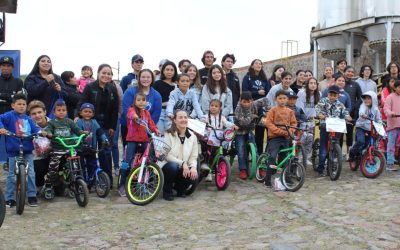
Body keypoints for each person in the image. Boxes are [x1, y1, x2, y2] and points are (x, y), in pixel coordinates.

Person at [76, 64, 119, 188]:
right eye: (104, 73)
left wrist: (113, 127)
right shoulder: (90, 87)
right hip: (91, 123)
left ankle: (107, 180)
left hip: (106, 124)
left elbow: (115, 109)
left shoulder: (112, 88)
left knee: (105, 151)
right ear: (98, 73)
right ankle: (89, 179)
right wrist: (77, 116)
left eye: (109, 73)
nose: (106, 75)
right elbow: (82, 102)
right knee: (88, 150)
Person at [0, 93, 41, 207]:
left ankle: (32, 196)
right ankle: (10, 198)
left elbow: (35, 128)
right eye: (19, 104)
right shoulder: (9, 116)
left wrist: (40, 132)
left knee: (31, 173)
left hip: (27, 150)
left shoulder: (28, 119)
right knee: (12, 174)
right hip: (13, 150)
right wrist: (2, 128)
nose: (22, 106)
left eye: (24, 104)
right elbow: (0, 119)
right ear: (13, 105)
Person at [118, 92, 160, 197]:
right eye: (139, 100)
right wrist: (136, 117)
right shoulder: (131, 110)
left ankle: (143, 185)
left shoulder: (147, 113)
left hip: (145, 140)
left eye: (143, 100)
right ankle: (122, 184)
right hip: (132, 140)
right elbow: (131, 115)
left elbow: (151, 124)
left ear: (146, 102)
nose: (141, 102)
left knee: (146, 162)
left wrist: (156, 130)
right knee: (127, 162)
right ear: (135, 101)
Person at [44, 100, 87, 198]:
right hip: (57, 149)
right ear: (54, 112)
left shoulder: (69, 121)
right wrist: (48, 134)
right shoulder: (52, 123)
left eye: (63, 110)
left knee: (75, 167)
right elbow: (48, 130)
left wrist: (82, 133)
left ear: (66, 112)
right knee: (53, 168)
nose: (61, 112)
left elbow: (76, 129)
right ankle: (49, 186)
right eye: (58, 110)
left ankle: (74, 186)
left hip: (69, 148)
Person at [160, 110, 198, 201]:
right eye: (180, 117)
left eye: (185, 117)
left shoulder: (192, 136)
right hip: (168, 166)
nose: (183, 119)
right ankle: (167, 191)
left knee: (194, 174)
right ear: (175, 120)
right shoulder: (168, 134)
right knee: (173, 167)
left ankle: (180, 189)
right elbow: (166, 155)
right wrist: (183, 163)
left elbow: (193, 156)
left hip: (182, 168)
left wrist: (193, 167)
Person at [315, 85, 351, 177]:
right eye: (331, 94)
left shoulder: (340, 104)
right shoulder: (323, 101)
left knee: (335, 146)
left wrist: (348, 117)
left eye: (335, 95)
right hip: (325, 125)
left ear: (338, 96)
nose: (332, 96)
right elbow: (317, 108)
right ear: (328, 94)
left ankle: (332, 166)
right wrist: (320, 115)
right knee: (323, 147)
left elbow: (345, 112)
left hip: (336, 127)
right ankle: (321, 168)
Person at [264, 90, 297, 187]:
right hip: (275, 137)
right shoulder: (272, 110)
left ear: (287, 99)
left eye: (284, 98)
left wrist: (290, 131)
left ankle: (286, 178)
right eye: (280, 98)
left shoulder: (290, 111)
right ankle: (267, 179)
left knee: (285, 158)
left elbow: (294, 123)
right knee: (272, 156)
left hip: (286, 137)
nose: (282, 100)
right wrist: (280, 131)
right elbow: (268, 123)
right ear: (275, 99)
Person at [121, 69, 162, 147]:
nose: (145, 79)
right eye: (143, 77)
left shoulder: (156, 95)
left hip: (146, 130)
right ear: (139, 78)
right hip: (129, 128)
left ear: (152, 79)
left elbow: (155, 116)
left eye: (148, 77)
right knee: (129, 154)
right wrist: (134, 125)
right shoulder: (130, 92)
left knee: (144, 156)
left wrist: (147, 128)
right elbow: (126, 110)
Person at [75, 103, 109, 190]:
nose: (87, 113)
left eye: (90, 112)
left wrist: (104, 139)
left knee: (92, 165)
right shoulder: (79, 122)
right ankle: (81, 183)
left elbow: (100, 131)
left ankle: (91, 182)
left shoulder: (94, 122)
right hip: (81, 149)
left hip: (91, 149)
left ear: (93, 114)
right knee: (81, 166)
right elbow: (75, 133)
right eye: (85, 111)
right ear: (81, 113)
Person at [242, 59, 271, 154]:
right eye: (256, 63)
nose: (258, 65)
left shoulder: (264, 79)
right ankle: (248, 153)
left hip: (262, 109)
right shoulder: (247, 77)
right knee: (248, 132)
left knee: (260, 131)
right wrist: (256, 92)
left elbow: (268, 93)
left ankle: (261, 154)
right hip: (250, 107)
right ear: (252, 66)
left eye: (260, 64)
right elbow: (245, 92)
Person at [0, 56, 23, 168]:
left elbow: (19, 99)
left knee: (13, 142)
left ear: (12, 67)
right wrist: (10, 97)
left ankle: (11, 164)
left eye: (8, 66)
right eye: (3, 65)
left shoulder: (18, 81)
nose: (5, 68)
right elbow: (12, 98)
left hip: (12, 116)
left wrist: (2, 97)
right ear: (0, 66)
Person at [348, 91, 381, 163]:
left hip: (370, 128)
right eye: (365, 98)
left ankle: (359, 153)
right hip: (361, 126)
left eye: (369, 98)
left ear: (374, 99)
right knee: (360, 141)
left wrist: (381, 123)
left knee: (366, 144)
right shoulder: (363, 106)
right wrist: (363, 115)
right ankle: (352, 151)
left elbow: (378, 119)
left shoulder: (376, 109)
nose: (366, 100)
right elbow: (361, 112)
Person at [28, 100, 51, 194]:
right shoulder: (28, 127)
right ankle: (39, 185)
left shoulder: (54, 123)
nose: (37, 115)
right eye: (33, 114)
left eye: (39, 112)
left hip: (53, 154)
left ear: (45, 112)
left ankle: (59, 183)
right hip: (38, 157)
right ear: (29, 116)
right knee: (37, 166)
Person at [234, 91, 258, 180]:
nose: (246, 104)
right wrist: (252, 116)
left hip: (249, 130)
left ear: (251, 101)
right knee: (240, 149)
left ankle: (260, 167)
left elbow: (265, 100)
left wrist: (268, 110)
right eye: (244, 102)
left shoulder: (254, 104)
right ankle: (242, 169)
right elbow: (243, 123)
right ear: (240, 100)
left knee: (255, 149)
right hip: (240, 132)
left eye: (248, 102)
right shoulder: (238, 109)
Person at [296, 77, 320, 163]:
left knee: (310, 140)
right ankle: (297, 157)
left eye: (315, 83)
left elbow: (318, 108)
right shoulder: (302, 93)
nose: (313, 85)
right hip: (302, 121)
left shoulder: (318, 94)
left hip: (312, 122)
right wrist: (304, 118)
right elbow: (299, 108)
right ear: (307, 84)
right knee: (301, 140)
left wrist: (318, 116)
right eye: (311, 83)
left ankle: (306, 158)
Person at [153, 60, 178, 134]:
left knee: (171, 137)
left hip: (172, 115)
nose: (169, 72)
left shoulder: (177, 86)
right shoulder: (157, 84)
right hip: (159, 113)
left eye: (172, 70)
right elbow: (153, 101)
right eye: (167, 69)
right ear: (163, 71)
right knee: (160, 137)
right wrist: (166, 103)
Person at [343, 66, 363, 154]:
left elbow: (360, 98)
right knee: (339, 134)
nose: (350, 73)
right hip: (339, 113)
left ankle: (348, 152)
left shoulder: (355, 84)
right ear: (344, 72)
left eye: (352, 72)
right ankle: (338, 153)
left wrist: (354, 106)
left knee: (349, 133)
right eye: (348, 71)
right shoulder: (340, 82)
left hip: (351, 113)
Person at [384, 80, 400, 171]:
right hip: (393, 125)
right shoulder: (390, 97)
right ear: (395, 87)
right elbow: (386, 109)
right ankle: (389, 164)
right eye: (399, 87)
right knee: (391, 145)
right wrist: (391, 113)